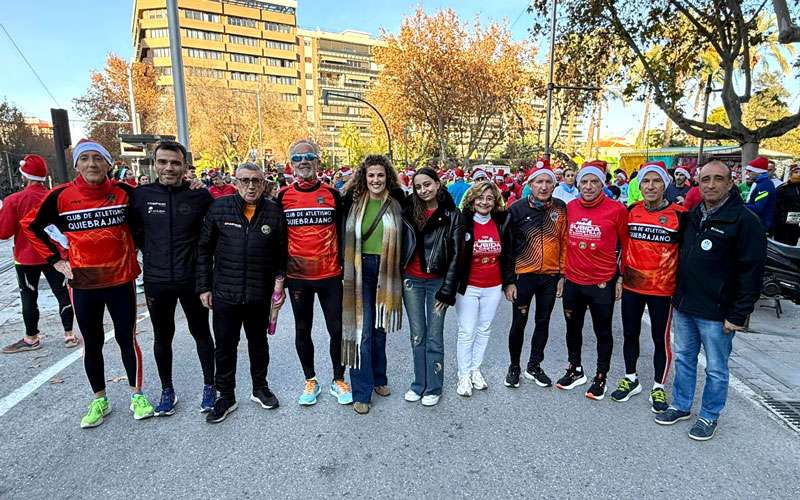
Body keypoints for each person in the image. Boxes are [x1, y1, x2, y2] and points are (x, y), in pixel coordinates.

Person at [22, 139, 154, 427]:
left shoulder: (126, 193)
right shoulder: (60, 195)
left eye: (98, 158)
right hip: (82, 283)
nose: (92, 164)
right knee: (91, 343)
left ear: (109, 164)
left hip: (121, 280)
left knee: (126, 338)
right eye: (85, 159)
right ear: (77, 165)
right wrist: (55, 260)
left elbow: (152, 212)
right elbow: (30, 226)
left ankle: (137, 395)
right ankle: (99, 400)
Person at [657, 160, 766, 440]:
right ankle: (681, 405)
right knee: (684, 359)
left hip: (718, 312)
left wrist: (739, 314)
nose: (711, 184)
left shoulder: (745, 221)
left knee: (716, 368)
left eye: (718, 179)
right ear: (698, 183)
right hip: (685, 305)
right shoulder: (694, 215)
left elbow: (751, 272)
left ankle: (709, 415)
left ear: (731, 183)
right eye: (705, 179)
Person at [129, 140, 216, 416]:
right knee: (162, 337)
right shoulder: (142, 195)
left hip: (192, 279)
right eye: (163, 162)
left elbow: (213, 232)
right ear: (154, 164)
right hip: (157, 280)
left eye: (175, 163)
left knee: (201, 333)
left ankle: (210, 387)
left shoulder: (199, 196)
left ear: (184, 166)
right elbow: (135, 232)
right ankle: (167, 390)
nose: (169, 168)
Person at [196, 163, 287, 423]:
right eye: (245, 180)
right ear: (235, 182)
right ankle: (226, 395)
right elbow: (203, 249)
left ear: (264, 183)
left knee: (259, 345)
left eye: (256, 180)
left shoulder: (273, 211)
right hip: (225, 293)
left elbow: (282, 254)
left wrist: (280, 284)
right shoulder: (219, 208)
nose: (251, 185)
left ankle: (260, 388)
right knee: (225, 347)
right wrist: (203, 286)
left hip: (260, 294)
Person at [277, 139, 353, 406]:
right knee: (302, 329)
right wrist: (278, 276)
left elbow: (345, 230)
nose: (304, 162)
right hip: (298, 277)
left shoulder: (333, 194)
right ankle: (310, 379)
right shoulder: (282, 196)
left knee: (337, 330)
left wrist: (346, 265)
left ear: (318, 161)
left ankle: (338, 379)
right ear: (291, 164)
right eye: (297, 158)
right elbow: (277, 237)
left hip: (330, 275)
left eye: (309, 156)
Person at [611, 163, 686, 413]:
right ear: (639, 185)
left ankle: (658, 386)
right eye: (646, 181)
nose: (651, 186)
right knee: (630, 334)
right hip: (633, 285)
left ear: (665, 184)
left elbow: (687, 253)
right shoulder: (631, 211)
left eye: (656, 181)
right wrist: (619, 277)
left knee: (659, 339)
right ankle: (631, 378)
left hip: (662, 290)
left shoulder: (680, 215)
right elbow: (621, 246)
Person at [556, 160, 628, 400]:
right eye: (584, 181)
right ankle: (575, 369)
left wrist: (620, 278)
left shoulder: (617, 210)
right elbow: (563, 244)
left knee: (602, 332)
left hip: (601, 283)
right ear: (578, 184)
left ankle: (601, 376)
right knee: (572, 329)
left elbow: (625, 247)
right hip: (574, 282)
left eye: (594, 181)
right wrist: (562, 275)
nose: (588, 186)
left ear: (602, 184)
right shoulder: (570, 207)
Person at [340, 155, 405, 414]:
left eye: (380, 175)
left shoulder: (398, 202)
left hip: (386, 271)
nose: (376, 180)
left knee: (380, 329)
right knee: (362, 333)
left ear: (387, 176)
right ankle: (362, 391)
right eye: (371, 175)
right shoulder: (353, 201)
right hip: (358, 270)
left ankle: (379, 378)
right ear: (364, 178)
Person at [0, 154, 76, 353]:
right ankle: (69, 334)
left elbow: (4, 232)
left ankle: (31, 337)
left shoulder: (13, 200)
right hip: (54, 255)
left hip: (25, 257)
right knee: (62, 293)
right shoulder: (54, 197)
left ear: (25, 175)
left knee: (28, 295)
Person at [401, 167, 462, 406]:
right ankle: (419, 384)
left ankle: (434, 386)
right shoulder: (407, 212)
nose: (423, 190)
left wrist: (448, 289)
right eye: (418, 186)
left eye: (427, 184)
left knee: (434, 337)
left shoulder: (452, 214)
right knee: (418, 336)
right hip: (411, 281)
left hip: (437, 282)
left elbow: (458, 255)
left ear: (437, 184)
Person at [502, 166, 567, 389]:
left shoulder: (560, 208)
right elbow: (508, 247)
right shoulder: (517, 209)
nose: (544, 186)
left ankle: (534, 365)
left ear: (554, 185)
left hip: (549, 277)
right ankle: (514, 366)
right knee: (519, 322)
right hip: (524, 276)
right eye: (539, 182)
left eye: (548, 182)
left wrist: (562, 275)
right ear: (530, 185)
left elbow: (564, 242)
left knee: (543, 322)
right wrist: (509, 280)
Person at [453, 180, 509, 397]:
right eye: (480, 198)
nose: (484, 202)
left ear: (494, 202)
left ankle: (475, 369)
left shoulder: (501, 222)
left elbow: (508, 253)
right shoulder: (462, 221)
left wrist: (509, 282)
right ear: (472, 199)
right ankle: (463, 374)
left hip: (493, 285)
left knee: (484, 329)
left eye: (489, 198)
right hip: (468, 286)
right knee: (467, 331)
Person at [744, 156, 777, 232]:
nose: (747, 173)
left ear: (757, 172)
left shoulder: (764, 186)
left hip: (761, 225)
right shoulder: (763, 183)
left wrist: (741, 205)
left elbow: (758, 208)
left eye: (749, 171)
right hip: (760, 223)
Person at [774, 164, 800, 245]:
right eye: (796, 172)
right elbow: (776, 205)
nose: (798, 174)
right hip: (782, 224)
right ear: (790, 174)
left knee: (792, 243)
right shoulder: (783, 188)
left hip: (795, 224)